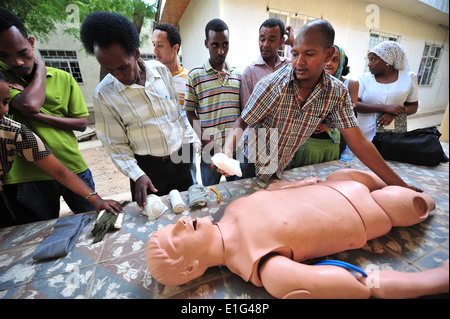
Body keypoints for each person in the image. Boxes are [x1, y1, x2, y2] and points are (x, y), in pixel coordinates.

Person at [146, 169, 448, 299]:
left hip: (336, 183)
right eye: (175, 238)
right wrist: (435, 279)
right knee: (415, 202)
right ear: (190, 268)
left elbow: (272, 191)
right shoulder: (264, 266)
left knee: (383, 184)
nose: (182, 222)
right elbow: (361, 284)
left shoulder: (233, 209)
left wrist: (302, 183)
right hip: (369, 211)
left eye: (173, 224)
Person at [215, 19, 420, 192]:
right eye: (295, 54)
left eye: (309, 54)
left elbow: (358, 142)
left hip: (284, 164)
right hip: (250, 163)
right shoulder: (272, 85)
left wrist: (400, 186)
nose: (299, 63)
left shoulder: (335, 93)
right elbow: (243, 121)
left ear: (328, 55)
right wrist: (226, 152)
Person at [80, 12, 193, 209]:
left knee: (186, 213)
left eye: (123, 67)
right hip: (146, 171)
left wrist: (188, 148)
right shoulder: (104, 95)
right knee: (154, 223)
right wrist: (137, 174)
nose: (118, 76)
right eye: (109, 70)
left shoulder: (161, 71)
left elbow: (176, 115)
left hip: (180, 160)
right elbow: (115, 144)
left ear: (136, 53)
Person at [0, 8, 98, 221]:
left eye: (22, 52)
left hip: (72, 166)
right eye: (4, 56)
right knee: (37, 238)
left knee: (95, 223)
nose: (16, 62)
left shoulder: (63, 77)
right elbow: (30, 104)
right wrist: (41, 71)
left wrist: (36, 115)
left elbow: (81, 124)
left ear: (32, 42)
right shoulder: (2, 79)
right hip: (28, 177)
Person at [0, 71, 123, 227]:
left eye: (5, 102)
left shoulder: (14, 132)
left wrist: (95, 199)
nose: (3, 110)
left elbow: (60, 171)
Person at [184, 19, 242, 186]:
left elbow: (242, 114)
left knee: (236, 191)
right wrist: (206, 141)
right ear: (206, 43)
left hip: (234, 151)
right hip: (209, 151)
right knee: (211, 192)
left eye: (225, 45)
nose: (220, 51)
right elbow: (189, 112)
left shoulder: (238, 75)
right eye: (215, 45)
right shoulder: (195, 75)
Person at [293, 45, 359, 167]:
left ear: (342, 62)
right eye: (327, 59)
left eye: (335, 60)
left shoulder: (345, 87)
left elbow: (351, 113)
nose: (329, 63)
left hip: (333, 141)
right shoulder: (309, 82)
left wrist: (329, 125)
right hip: (308, 140)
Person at [152, 23, 200, 184]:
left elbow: (196, 112)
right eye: (153, 45)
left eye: (160, 45)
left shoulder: (189, 78)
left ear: (175, 47)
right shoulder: (152, 79)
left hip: (185, 144)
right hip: (160, 149)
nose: (155, 51)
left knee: (190, 187)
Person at [355, 41, 418, 142]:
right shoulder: (364, 79)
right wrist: (386, 108)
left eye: (373, 60)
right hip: (362, 130)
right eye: (369, 59)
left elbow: (413, 106)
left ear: (388, 60)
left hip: (391, 134)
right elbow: (354, 104)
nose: (369, 64)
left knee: (386, 155)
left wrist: (395, 113)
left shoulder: (409, 78)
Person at [240, 18, 293, 108]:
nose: (265, 44)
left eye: (271, 40)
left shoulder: (288, 65)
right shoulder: (249, 73)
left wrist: (294, 44)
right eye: (262, 39)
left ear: (281, 41)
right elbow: (246, 114)